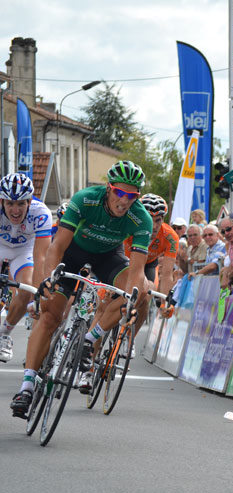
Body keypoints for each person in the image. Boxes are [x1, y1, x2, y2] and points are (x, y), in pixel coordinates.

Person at [11, 161, 152, 415]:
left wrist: (131, 301)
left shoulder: (140, 217)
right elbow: (56, 247)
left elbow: (138, 270)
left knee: (140, 292)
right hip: (72, 253)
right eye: (119, 192)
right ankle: (27, 387)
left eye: (131, 196)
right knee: (51, 315)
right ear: (108, 189)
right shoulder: (86, 199)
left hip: (110, 257)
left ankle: (89, 339)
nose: (124, 200)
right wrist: (49, 279)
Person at [0, 173, 52, 362]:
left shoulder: (41, 213)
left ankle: (4, 334)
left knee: (26, 289)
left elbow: (41, 257)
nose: (15, 210)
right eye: (10, 204)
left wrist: (37, 296)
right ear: (2, 201)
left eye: (21, 204)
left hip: (24, 249)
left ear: (29, 201)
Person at [121, 193, 178, 335]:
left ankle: (130, 339)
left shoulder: (170, 236)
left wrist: (165, 302)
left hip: (148, 266)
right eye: (148, 218)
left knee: (146, 298)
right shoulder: (128, 227)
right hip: (124, 262)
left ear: (163, 219)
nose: (153, 225)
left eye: (158, 220)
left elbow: (166, 275)